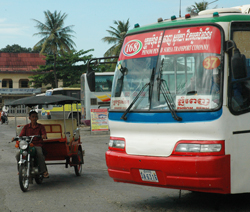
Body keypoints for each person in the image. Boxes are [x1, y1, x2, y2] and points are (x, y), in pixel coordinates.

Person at [15, 111, 49, 178]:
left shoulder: (41, 127)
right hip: (27, 145)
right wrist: (17, 138)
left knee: (40, 154)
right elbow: (21, 135)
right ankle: (20, 169)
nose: (34, 118)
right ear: (29, 118)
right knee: (18, 154)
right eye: (33, 117)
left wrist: (43, 136)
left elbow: (44, 135)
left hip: (37, 145)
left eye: (36, 116)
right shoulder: (26, 127)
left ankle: (44, 171)